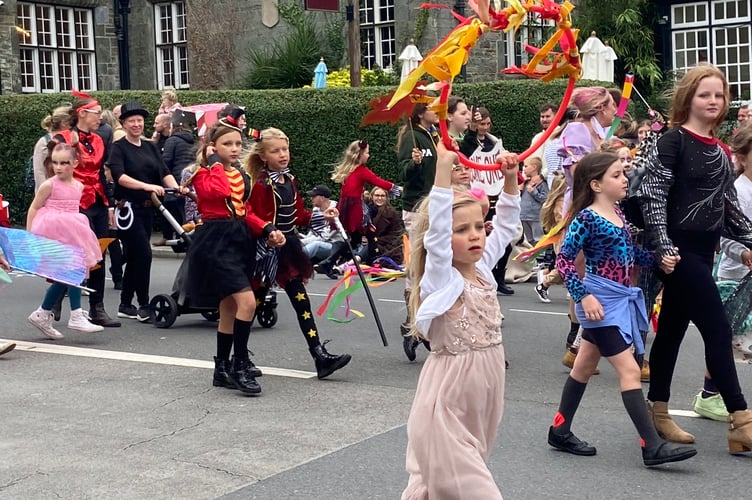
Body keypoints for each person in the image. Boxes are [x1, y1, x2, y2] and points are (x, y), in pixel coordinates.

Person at [547, 150, 696, 466]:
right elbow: (564, 260)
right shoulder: (587, 218)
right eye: (616, 175)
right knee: (629, 370)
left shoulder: (618, 216)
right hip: (601, 302)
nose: (624, 179)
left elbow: (629, 258)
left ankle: (559, 430)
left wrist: (659, 259)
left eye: (623, 173)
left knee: (584, 365)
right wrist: (584, 296)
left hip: (618, 298)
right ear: (597, 184)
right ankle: (651, 444)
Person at [638, 64, 752, 452]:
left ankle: (658, 411)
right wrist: (663, 246)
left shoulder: (720, 150)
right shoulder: (672, 141)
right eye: (705, 94)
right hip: (678, 250)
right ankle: (740, 418)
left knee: (671, 328)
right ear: (689, 98)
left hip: (704, 250)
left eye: (719, 95)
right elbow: (653, 196)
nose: (714, 101)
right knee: (718, 329)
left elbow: (729, 209)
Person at [401, 140, 520, 500]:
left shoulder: (483, 271)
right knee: (474, 489)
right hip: (447, 398)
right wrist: (441, 171)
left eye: (478, 228)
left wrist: (511, 179)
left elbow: (507, 225)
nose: (474, 236)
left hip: (485, 392)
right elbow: (436, 232)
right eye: (461, 230)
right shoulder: (442, 279)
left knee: (435, 484)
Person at [245, 128, 352, 379]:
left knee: (300, 301)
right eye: (275, 151)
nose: (283, 154)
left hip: (289, 247)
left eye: (285, 149)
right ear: (262, 155)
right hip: (267, 251)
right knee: (253, 303)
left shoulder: (289, 180)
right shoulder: (261, 185)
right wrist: (268, 233)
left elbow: (298, 216)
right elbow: (254, 218)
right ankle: (237, 356)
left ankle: (319, 356)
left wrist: (322, 215)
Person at [188, 121, 283, 395]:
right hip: (215, 242)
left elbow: (244, 210)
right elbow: (220, 193)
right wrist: (215, 163)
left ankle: (221, 370)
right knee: (247, 302)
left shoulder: (242, 175)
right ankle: (239, 365)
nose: (234, 149)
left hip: (239, 239)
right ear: (212, 148)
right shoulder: (203, 175)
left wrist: (267, 228)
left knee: (229, 307)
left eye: (238, 144)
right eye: (227, 144)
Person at [108, 101, 184, 322]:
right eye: (131, 120)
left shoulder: (150, 146)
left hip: (148, 209)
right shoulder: (119, 147)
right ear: (123, 123)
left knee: (134, 257)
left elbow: (163, 171)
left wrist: (177, 187)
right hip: (128, 210)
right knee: (144, 255)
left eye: (139, 120)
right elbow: (119, 176)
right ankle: (143, 304)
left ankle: (125, 303)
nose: (136, 124)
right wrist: (146, 186)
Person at [27, 132, 105, 339]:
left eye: (64, 163)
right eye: (55, 163)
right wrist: (30, 234)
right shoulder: (49, 185)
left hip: (73, 229)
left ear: (75, 163)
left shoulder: (79, 186)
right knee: (72, 270)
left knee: (70, 272)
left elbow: (73, 209)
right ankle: (75, 315)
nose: (58, 167)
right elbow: (34, 208)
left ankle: (43, 313)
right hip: (52, 229)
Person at [69, 92, 120, 328]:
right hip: (77, 202)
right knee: (78, 255)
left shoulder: (99, 140)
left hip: (97, 201)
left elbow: (102, 174)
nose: (100, 117)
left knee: (99, 252)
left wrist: (109, 203)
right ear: (82, 114)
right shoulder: (66, 139)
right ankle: (62, 299)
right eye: (96, 113)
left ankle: (97, 308)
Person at [317, 140, 399, 276]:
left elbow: (345, 195)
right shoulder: (361, 170)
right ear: (360, 154)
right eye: (367, 153)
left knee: (354, 239)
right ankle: (375, 266)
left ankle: (328, 262)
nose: (369, 155)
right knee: (370, 235)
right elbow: (376, 180)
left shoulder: (348, 170)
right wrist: (394, 187)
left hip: (346, 207)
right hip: (355, 209)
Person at [397, 103, 440, 355]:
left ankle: (422, 323)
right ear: (420, 113)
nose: (438, 111)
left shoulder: (433, 135)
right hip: (416, 208)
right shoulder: (411, 137)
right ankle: (412, 323)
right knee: (416, 266)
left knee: (434, 262)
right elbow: (404, 173)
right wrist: (413, 164)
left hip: (434, 205)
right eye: (432, 108)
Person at [157, 109, 197, 245]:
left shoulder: (172, 140)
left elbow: (165, 161)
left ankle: (169, 236)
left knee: (169, 209)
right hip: (189, 179)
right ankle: (186, 235)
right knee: (185, 211)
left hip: (174, 179)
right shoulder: (192, 140)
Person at [535, 171, 567, 303]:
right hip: (563, 238)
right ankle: (543, 284)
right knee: (565, 266)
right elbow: (562, 221)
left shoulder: (565, 200)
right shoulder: (560, 202)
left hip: (566, 236)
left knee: (571, 265)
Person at [301, 184, 345, 271]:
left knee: (315, 245)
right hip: (321, 242)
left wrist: (303, 242)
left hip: (335, 246)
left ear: (322, 198)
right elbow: (313, 231)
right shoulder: (316, 210)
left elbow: (324, 237)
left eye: (313, 196)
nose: (311, 199)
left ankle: (293, 261)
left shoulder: (335, 211)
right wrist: (302, 240)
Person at [33, 106, 72, 191]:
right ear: (64, 123)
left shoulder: (72, 138)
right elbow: (39, 172)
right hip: (51, 193)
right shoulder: (44, 142)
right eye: (72, 122)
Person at [367, 186, 404, 265]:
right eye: (377, 195)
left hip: (386, 248)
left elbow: (395, 235)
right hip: (367, 245)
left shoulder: (391, 213)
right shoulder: (367, 210)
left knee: (371, 244)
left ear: (386, 197)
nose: (379, 198)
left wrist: (375, 239)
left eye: (382, 196)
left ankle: (350, 263)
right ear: (372, 196)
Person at [520, 156, 548, 245]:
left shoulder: (541, 183)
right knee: (527, 240)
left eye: (526, 166)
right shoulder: (524, 182)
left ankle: (541, 257)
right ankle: (531, 258)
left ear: (534, 167)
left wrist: (534, 192)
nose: (524, 169)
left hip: (535, 217)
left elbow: (545, 198)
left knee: (538, 239)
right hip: (523, 216)